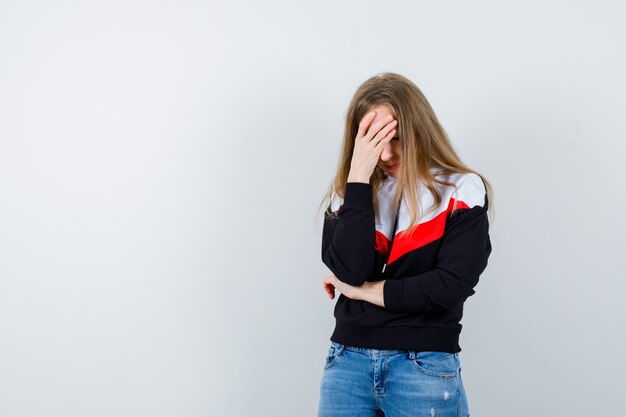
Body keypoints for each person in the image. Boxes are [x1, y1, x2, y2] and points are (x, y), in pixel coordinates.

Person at [316, 72, 494, 417]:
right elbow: (350, 270)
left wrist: (364, 292)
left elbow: (447, 288)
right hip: (346, 363)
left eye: (394, 138)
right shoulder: (350, 194)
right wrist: (357, 177)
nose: (384, 154)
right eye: (371, 141)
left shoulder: (462, 190)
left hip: (421, 365)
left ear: (419, 131)